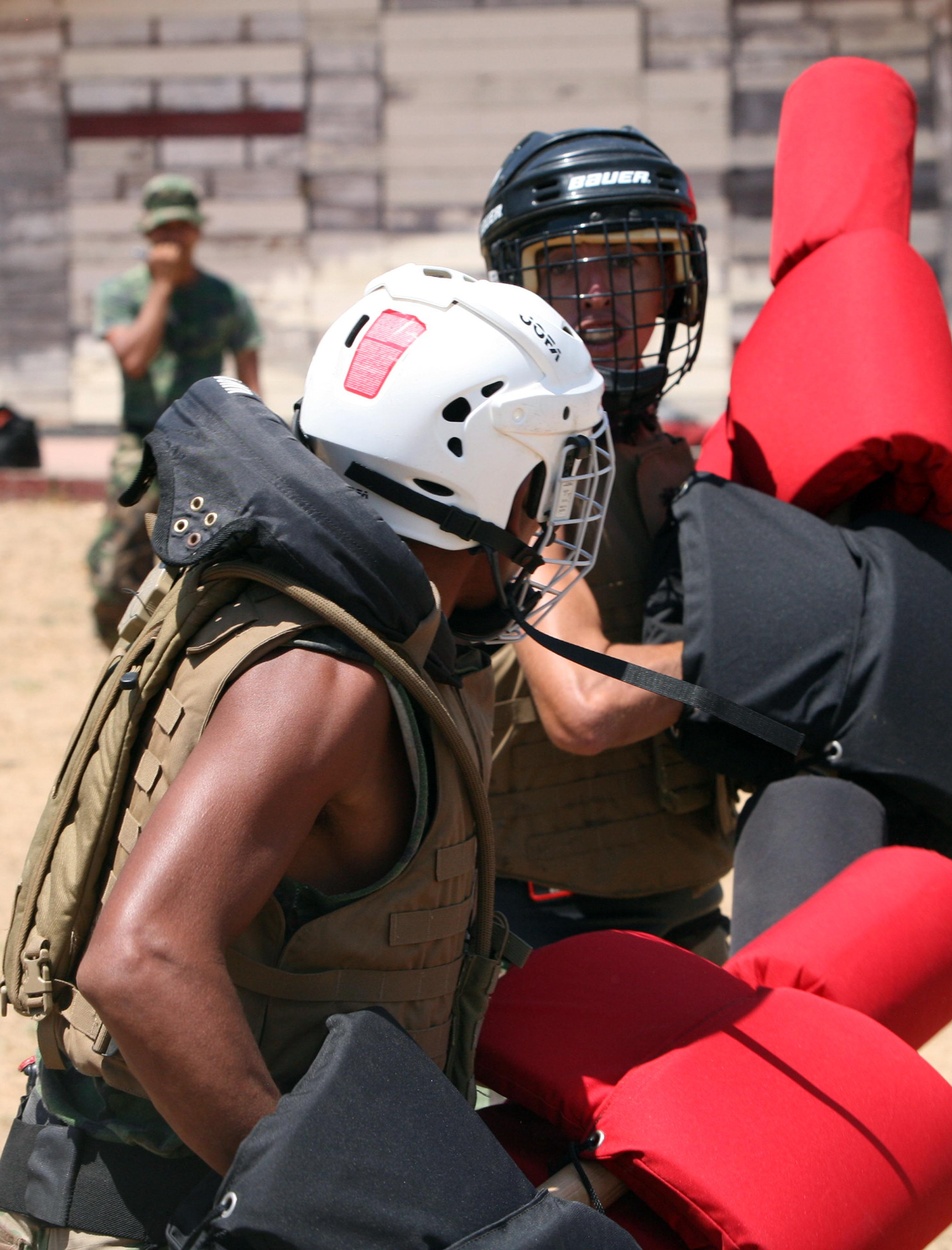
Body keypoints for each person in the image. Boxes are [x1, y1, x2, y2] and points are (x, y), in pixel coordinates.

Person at [0, 264, 612, 1247]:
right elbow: (143, 957)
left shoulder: (343, 617)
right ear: (490, 478)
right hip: (179, 1212)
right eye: (545, 479)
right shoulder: (328, 678)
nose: (544, 523)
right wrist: (326, 1213)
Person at [480, 126, 736, 960]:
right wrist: (782, 650)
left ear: (675, 284)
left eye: (625, 264)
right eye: (562, 269)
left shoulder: (676, 463)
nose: (595, 297)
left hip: (688, 908)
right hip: (534, 933)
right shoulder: (509, 464)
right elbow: (586, 707)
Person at [87, 173, 263, 648]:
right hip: (140, 445)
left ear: (197, 231)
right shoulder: (120, 293)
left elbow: (249, 378)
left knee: (206, 561)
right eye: (161, 231)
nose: (171, 239)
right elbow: (135, 360)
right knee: (115, 569)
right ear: (145, 235)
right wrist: (161, 288)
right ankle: (118, 654)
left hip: (203, 443)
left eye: (180, 228)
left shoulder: (225, 298)